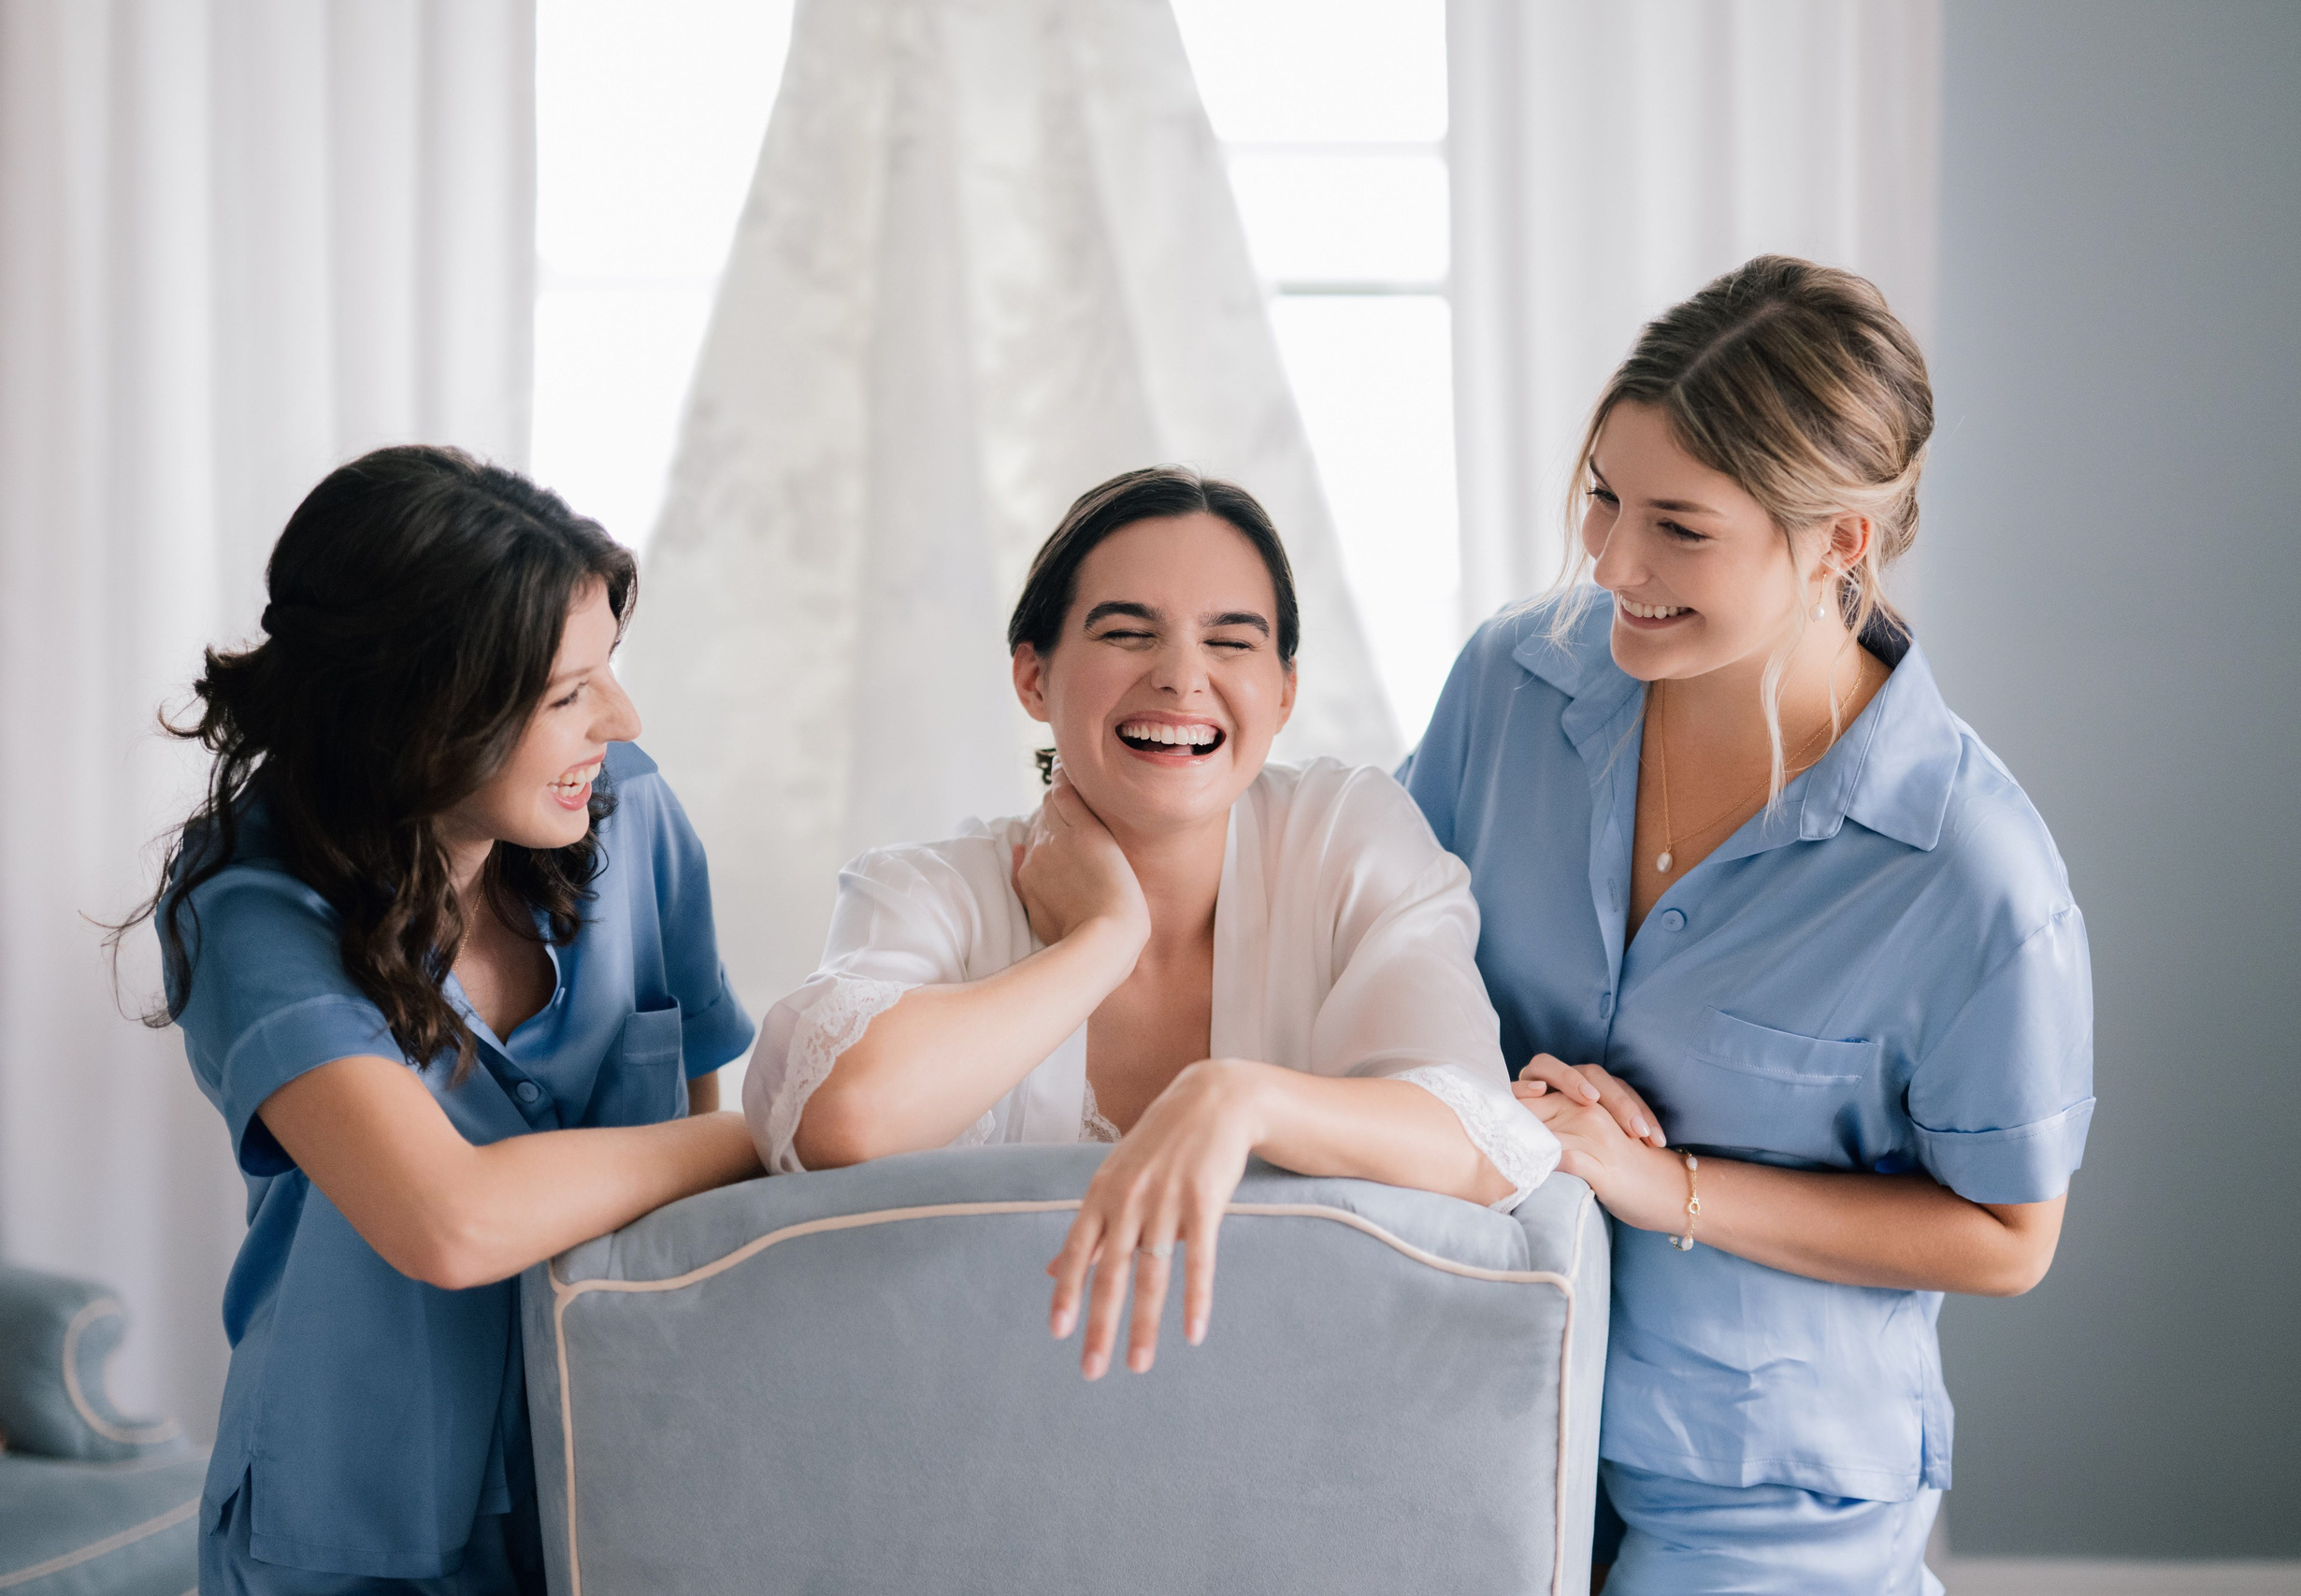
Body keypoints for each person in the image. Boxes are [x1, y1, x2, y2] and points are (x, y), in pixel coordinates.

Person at [1402, 257, 2094, 1595]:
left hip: (1761, 1491)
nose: (1611, 561)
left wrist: (1666, 1186)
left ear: (1841, 538)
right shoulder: (1511, 682)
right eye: (1605, 496)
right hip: (1470, 1396)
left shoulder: (1972, 873)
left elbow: (2008, 1235)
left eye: (1679, 525)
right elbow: (1383, 950)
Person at [742, 465, 1560, 1380]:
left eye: (1231, 643)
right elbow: (835, 1116)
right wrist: (1102, 942)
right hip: (966, 1427)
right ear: (1032, 675)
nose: (1181, 678)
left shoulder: (1346, 839)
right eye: (1128, 634)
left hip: (1302, 1422)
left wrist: (1238, 1098)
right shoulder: (930, 888)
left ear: (1284, 691)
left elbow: (1480, 1142)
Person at [134, 447, 760, 1591]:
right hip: (359, 1519)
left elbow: (700, 1174)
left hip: (637, 1464)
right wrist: (768, 1137)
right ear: (420, 715)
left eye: (607, 668)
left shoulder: (633, 815)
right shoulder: (251, 907)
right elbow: (448, 1224)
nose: (619, 716)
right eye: (569, 694)